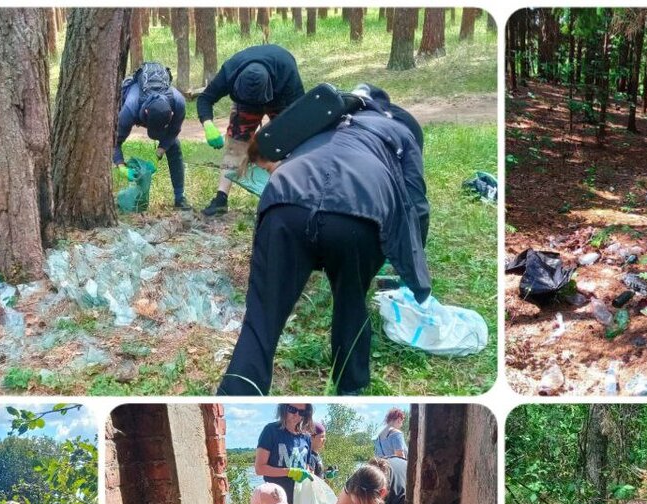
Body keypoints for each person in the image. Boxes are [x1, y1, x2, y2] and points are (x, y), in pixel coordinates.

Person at [215, 96, 429, 396]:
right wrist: (413, 265)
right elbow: (416, 204)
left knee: (262, 314)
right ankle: (349, 389)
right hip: (359, 211)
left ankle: (239, 389)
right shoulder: (402, 133)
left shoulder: (321, 117)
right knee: (351, 300)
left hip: (285, 202)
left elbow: (278, 150)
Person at [195, 43, 305, 217]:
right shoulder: (230, 71)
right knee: (236, 143)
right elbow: (205, 99)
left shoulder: (287, 71)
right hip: (246, 99)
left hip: (279, 95)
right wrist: (208, 124)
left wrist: (275, 140)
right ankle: (220, 200)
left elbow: (299, 115)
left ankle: (290, 195)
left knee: (288, 144)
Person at [114, 62, 190, 210]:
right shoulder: (130, 108)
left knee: (174, 146)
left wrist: (161, 149)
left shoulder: (178, 102)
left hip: (159, 109)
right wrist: (121, 165)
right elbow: (113, 142)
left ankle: (180, 198)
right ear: (146, 114)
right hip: (134, 106)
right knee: (113, 135)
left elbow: (174, 130)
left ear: (171, 114)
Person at [254, 404, 313, 504]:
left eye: (301, 412)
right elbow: (259, 468)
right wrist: (289, 472)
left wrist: (308, 474)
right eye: (292, 409)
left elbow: (307, 466)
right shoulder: (271, 431)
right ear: (283, 409)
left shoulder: (306, 437)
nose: (296, 415)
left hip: (299, 499)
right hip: (275, 498)